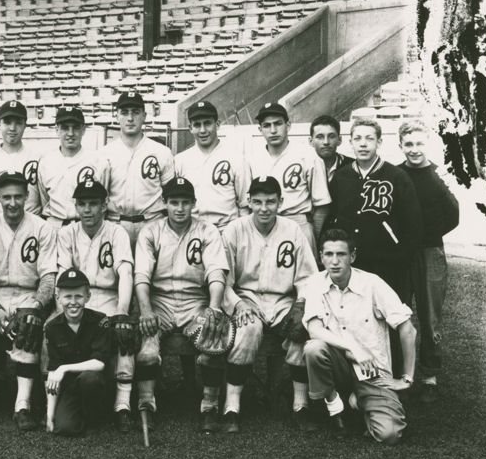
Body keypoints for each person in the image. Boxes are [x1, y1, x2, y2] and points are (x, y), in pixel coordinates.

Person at [220, 177, 318, 433]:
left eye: (271, 202)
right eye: (258, 202)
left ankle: (301, 404)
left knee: (302, 329)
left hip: (283, 300)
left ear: (280, 202)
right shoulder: (235, 229)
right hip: (248, 299)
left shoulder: (293, 230)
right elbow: (222, 279)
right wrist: (238, 304)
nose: (264, 208)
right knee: (248, 330)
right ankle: (232, 406)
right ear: (249, 202)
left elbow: (308, 276)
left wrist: (301, 305)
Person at [300, 229, 417, 444]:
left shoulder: (373, 283)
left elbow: (407, 329)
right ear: (321, 257)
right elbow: (314, 329)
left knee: (389, 434)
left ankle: (358, 402)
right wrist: (353, 348)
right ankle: (335, 406)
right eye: (328, 254)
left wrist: (406, 379)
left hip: (372, 372)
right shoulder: (315, 282)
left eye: (341, 254)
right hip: (339, 367)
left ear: (352, 256)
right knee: (313, 348)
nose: (335, 262)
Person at [134, 177, 228, 430]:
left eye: (186, 202)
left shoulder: (207, 230)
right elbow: (141, 276)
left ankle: (210, 405)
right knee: (147, 350)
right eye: (174, 202)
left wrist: (214, 307)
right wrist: (145, 310)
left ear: (194, 204)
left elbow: (216, 272)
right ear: (164, 203)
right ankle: (146, 403)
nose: (180, 208)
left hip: (195, 301)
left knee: (213, 342)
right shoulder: (151, 231)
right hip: (160, 301)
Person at [0, 172, 57, 431]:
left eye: (18, 197)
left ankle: (22, 405)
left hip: (27, 295)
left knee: (31, 326)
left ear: (27, 197)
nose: (12, 203)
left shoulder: (42, 228)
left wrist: (34, 306)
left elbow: (48, 278)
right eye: (7, 197)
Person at [327, 116, 423, 304]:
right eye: (358, 139)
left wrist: (402, 256)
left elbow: (413, 224)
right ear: (350, 142)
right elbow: (332, 217)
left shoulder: (396, 176)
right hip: (351, 262)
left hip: (388, 262)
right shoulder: (341, 177)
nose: (363, 144)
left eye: (369, 139)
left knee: (388, 313)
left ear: (379, 142)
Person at [398, 121, 460, 402]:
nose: (414, 150)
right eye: (408, 144)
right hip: (401, 254)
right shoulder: (396, 174)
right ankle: (398, 371)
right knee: (397, 312)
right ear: (401, 145)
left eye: (419, 144)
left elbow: (453, 215)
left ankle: (430, 376)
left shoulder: (439, 175)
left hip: (430, 252)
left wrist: (427, 235)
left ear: (428, 144)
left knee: (429, 314)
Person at [245, 101, 330, 256]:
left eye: (278, 124)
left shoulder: (307, 155)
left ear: (288, 125)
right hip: (264, 226)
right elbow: (248, 203)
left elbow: (322, 204)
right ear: (260, 129)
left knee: (304, 278)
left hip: (297, 222)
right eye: (267, 125)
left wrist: (313, 236)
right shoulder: (252, 158)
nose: (273, 130)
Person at [44, 268, 113, 437]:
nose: (73, 302)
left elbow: (99, 363)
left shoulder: (100, 321)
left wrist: (64, 368)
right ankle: (76, 414)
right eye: (68, 297)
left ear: (87, 297)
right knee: (64, 428)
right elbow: (53, 375)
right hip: (71, 387)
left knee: (89, 379)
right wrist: (49, 415)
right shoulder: (52, 328)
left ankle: (95, 419)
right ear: (58, 297)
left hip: (97, 384)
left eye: (78, 296)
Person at [100, 91, 175, 247]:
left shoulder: (161, 151)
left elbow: (171, 195)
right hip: (116, 224)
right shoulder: (104, 154)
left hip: (152, 222)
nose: (130, 118)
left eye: (135, 112)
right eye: (124, 112)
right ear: (116, 116)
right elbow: (100, 196)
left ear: (144, 116)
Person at [56, 180, 134, 317]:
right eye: (82, 204)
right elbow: (62, 276)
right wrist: (62, 313)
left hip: (109, 300)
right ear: (76, 207)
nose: (87, 210)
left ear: (104, 206)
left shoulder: (117, 232)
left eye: (93, 204)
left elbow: (125, 274)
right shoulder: (67, 233)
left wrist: (122, 311)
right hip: (76, 300)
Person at [173, 100, 249, 232]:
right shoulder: (180, 160)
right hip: (191, 230)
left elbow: (244, 205)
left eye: (207, 123)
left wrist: (241, 234)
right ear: (190, 128)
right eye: (197, 125)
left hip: (226, 229)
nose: (202, 130)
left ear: (217, 124)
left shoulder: (235, 158)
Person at [36, 105, 108, 227]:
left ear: (83, 130)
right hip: (55, 225)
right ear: (57, 130)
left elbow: (103, 201)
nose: (70, 133)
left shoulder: (98, 161)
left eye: (75, 128)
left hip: (86, 226)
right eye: (65, 128)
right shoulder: (46, 162)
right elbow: (44, 200)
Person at [0, 100, 42, 218]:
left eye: (18, 123)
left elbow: (43, 196)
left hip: (32, 222)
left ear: (25, 125)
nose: (12, 128)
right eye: (7, 122)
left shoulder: (38, 157)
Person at [309, 114, 353, 183]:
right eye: (320, 137)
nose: (326, 142)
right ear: (311, 141)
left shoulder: (353, 166)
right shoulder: (304, 167)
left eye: (331, 136)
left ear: (339, 140)